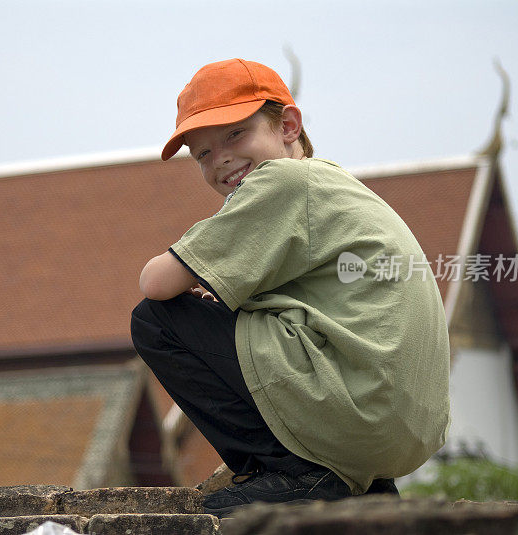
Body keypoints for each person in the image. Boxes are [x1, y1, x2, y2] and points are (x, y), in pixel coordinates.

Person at [130, 58, 450, 517]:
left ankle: (293, 473)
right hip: (399, 427)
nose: (219, 157)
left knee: (157, 321)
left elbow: (155, 282)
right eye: (202, 153)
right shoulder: (332, 181)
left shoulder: (283, 181)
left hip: (355, 405)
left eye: (235, 134)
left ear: (288, 126)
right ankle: (354, 483)